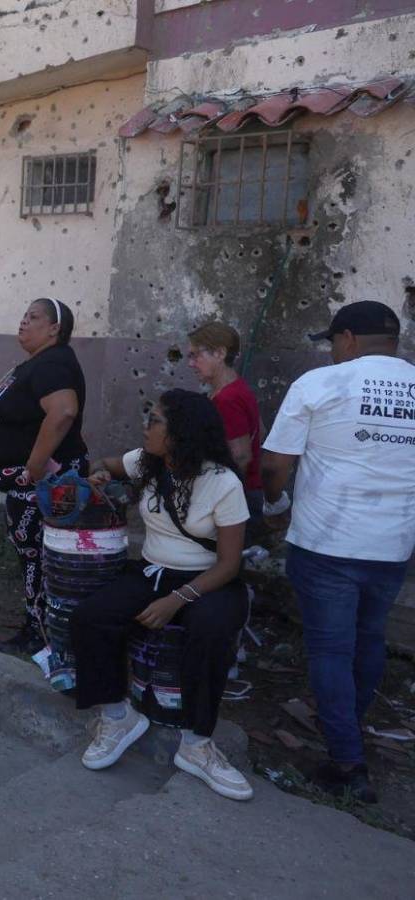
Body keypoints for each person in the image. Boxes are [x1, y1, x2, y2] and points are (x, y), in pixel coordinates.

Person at [260, 300, 415, 805]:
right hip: (392, 546)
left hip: (327, 541)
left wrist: (276, 503)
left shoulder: (319, 385)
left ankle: (347, 763)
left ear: (347, 338)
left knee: (330, 648)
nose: (331, 351)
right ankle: (347, 719)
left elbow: (275, 465)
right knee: (366, 640)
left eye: (332, 342)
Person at [73, 389, 253, 801]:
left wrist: (178, 600)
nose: (146, 426)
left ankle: (197, 743)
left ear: (180, 434)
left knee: (210, 629)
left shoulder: (222, 484)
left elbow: (229, 564)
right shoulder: (146, 462)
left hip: (208, 580)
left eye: (154, 420)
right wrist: (98, 473)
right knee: (90, 617)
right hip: (153, 571)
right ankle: (119, 717)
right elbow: (105, 463)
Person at [0, 297, 87, 652]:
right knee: (37, 555)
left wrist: (33, 466)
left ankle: (42, 633)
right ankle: (41, 627)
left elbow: (62, 413)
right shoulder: (41, 363)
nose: (23, 321)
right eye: (23, 314)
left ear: (55, 329)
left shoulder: (53, 363)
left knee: (44, 557)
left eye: (33, 317)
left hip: (46, 484)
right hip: (34, 486)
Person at [187, 322, 265, 534]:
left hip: (236, 498)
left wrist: (215, 498)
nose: (191, 363)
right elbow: (260, 432)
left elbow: (241, 457)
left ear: (220, 353)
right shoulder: (237, 389)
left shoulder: (227, 398)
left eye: (196, 355)